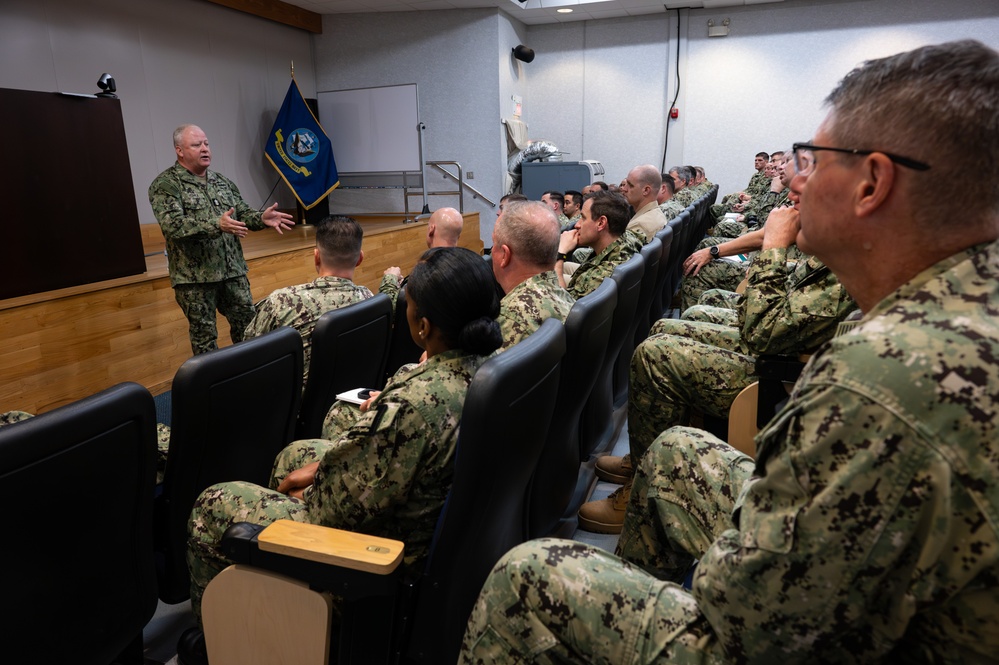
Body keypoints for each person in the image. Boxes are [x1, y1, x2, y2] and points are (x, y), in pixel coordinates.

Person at [459, 40, 999, 663]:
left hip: (785, 634)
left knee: (528, 576)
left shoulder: (882, 377)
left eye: (814, 160)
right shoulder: (958, 293)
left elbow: (747, 616)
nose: (795, 180)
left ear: (872, 183)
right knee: (674, 451)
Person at [181, 247, 503, 664]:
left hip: (382, 567)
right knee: (296, 456)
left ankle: (225, 643)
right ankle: (283, 617)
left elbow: (329, 514)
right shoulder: (491, 366)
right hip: (431, 537)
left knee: (214, 504)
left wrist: (311, 489)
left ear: (423, 327)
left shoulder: (413, 407)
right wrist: (317, 471)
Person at [578, 197, 856, 533]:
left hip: (788, 380)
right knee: (668, 327)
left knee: (656, 356)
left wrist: (772, 250)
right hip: (784, 349)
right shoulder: (844, 232)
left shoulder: (858, 254)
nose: (798, 190)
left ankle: (643, 492)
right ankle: (647, 459)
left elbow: (762, 332)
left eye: (813, 170)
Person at [149, 124, 295, 356]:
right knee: (205, 340)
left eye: (206, 143)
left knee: (249, 329)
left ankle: (252, 379)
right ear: (180, 150)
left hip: (233, 273)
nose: (205, 149)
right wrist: (216, 224)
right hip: (195, 279)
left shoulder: (222, 182)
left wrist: (261, 218)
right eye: (197, 145)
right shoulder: (166, 185)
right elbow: (173, 226)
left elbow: (243, 214)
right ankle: (213, 390)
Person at [243, 215, 373, 385]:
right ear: (360, 259)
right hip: (353, 397)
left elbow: (248, 355)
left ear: (316, 257)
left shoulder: (281, 301)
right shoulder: (368, 299)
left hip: (294, 406)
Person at [491, 201, 575, 350]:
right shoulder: (562, 295)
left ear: (504, 255)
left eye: (494, 244)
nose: (491, 251)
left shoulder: (511, 319)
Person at [555, 190, 642, 299]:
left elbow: (560, 305)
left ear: (601, 223)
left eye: (583, 218)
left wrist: (560, 253)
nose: (577, 225)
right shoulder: (627, 238)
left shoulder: (602, 276)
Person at [379, 207, 463, 302]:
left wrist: (390, 279)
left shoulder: (426, 273)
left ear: (431, 230)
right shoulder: (469, 265)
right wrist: (404, 286)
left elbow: (394, 311)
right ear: (458, 236)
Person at [618, 164, 668, 243]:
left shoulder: (639, 226)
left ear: (646, 190)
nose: (624, 189)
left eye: (630, 185)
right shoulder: (658, 214)